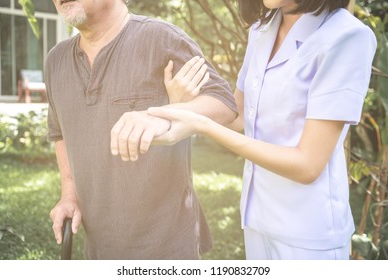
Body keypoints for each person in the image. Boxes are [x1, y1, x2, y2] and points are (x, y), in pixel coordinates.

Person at [148, 0, 377, 259]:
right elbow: (237, 115)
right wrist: (184, 106)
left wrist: (202, 124)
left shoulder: (347, 37)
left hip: (309, 235)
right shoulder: (261, 31)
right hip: (256, 221)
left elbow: (308, 165)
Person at [47, 0, 237, 259]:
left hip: (166, 249)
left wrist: (163, 117)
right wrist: (69, 194)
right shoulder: (55, 60)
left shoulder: (162, 39)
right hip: (99, 249)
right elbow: (60, 132)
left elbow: (224, 103)